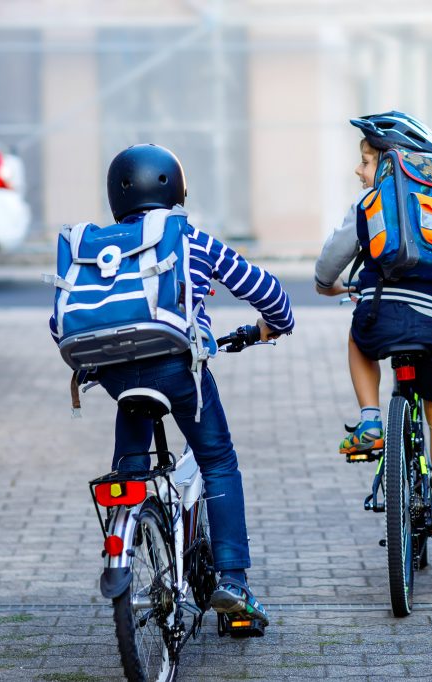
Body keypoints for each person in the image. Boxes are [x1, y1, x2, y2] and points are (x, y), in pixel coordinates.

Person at [49, 143, 294, 625]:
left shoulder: (99, 251)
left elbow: (60, 322)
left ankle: (131, 529)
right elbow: (268, 291)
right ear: (175, 189)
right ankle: (232, 583)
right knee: (218, 461)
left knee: (130, 468)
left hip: (119, 377)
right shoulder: (191, 240)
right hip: (180, 373)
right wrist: (276, 324)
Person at [314, 112, 432, 551]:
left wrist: (327, 286)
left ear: (389, 165)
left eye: (365, 160)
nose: (358, 170)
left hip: (380, 319)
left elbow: (331, 261)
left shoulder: (373, 203)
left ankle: (370, 422)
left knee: (357, 338)